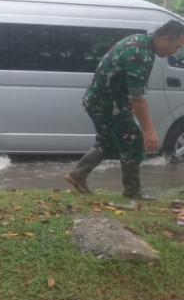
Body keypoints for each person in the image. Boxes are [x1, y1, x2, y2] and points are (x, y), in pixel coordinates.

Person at [65, 20, 184, 200]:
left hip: (101, 101)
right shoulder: (140, 55)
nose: (175, 52)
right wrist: (149, 130)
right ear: (165, 39)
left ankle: (78, 175)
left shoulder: (140, 41)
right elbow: (138, 99)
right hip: (107, 104)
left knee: (107, 141)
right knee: (134, 140)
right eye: (176, 46)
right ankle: (132, 192)